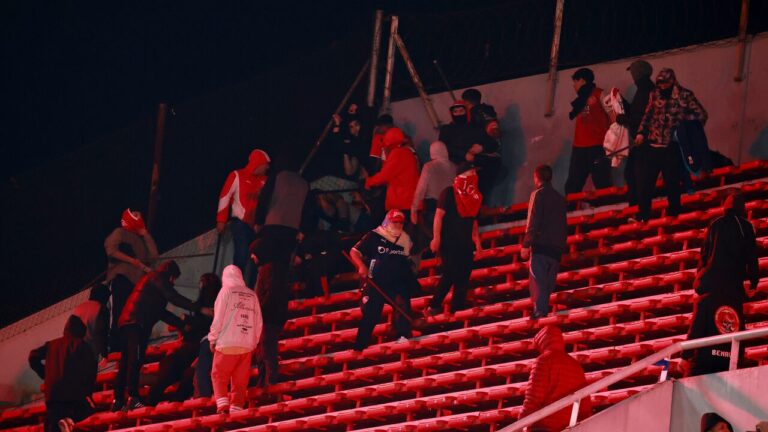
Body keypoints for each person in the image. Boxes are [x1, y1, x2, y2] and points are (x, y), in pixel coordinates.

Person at [111, 261, 210, 411]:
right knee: (135, 361)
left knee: (125, 363)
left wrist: (182, 325)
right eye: (174, 279)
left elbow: (161, 313)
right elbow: (174, 297)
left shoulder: (151, 285)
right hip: (137, 324)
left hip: (127, 323)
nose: (173, 283)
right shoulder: (157, 278)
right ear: (170, 275)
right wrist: (200, 308)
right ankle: (133, 398)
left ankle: (118, 400)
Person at [683, 192, 758, 377]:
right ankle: (735, 359)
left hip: (711, 284)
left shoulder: (714, 224)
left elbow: (704, 254)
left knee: (703, 320)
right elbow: (752, 257)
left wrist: (700, 277)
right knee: (734, 325)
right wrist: (754, 281)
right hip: (732, 288)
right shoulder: (746, 226)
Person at [250, 161, 312, 386]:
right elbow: (308, 209)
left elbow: (265, 198)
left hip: (273, 226)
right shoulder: (304, 184)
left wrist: (258, 221)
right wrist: (302, 230)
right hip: (291, 231)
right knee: (281, 268)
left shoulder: (277, 178)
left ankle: (267, 379)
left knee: (269, 267)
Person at [634, 68, 708, 222]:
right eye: (659, 83)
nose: (662, 87)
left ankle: (674, 215)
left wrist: (683, 126)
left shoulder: (685, 95)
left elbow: (701, 115)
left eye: (665, 83)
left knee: (672, 184)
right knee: (645, 184)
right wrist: (641, 133)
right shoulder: (654, 94)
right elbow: (647, 115)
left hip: (672, 147)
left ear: (672, 81)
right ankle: (643, 216)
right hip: (653, 146)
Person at [147, 273, 221, 405]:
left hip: (203, 347)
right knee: (170, 366)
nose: (200, 286)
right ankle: (153, 400)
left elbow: (207, 325)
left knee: (186, 373)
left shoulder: (217, 304)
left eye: (202, 283)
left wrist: (187, 320)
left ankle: (171, 402)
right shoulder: (203, 305)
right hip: (192, 346)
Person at [349, 210, 416, 351]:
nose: (397, 225)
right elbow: (354, 251)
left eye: (400, 222)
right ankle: (360, 346)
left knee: (402, 305)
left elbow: (409, 258)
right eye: (394, 222)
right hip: (376, 282)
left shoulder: (405, 239)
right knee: (371, 314)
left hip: (397, 282)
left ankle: (403, 335)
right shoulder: (374, 235)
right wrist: (361, 266)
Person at [425, 167, 483, 315]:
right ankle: (434, 305)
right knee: (450, 272)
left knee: (463, 277)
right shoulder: (449, 192)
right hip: (449, 241)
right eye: (471, 172)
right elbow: (439, 216)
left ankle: (457, 309)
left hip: (465, 242)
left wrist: (477, 243)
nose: (474, 175)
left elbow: (473, 221)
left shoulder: (474, 197)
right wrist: (436, 237)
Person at [208, 265, 262, 414]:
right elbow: (258, 322)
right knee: (240, 380)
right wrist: (254, 342)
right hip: (246, 345)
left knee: (218, 374)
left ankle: (223, 405)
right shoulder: (252, 294)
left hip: (227, 342)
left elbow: (218, 319)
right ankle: (237, 407)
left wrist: (213, 339)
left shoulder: (225, 292)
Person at [28, 315, 97, 432]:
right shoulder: (82, 345)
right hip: (73, 394)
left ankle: (64, 422)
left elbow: (32, 356)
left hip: (52, 395)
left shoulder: (51, 345)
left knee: (53, 424)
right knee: (89, 409)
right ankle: (69, 420)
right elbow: (91, 370)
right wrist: (87, 391)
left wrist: (44, 374)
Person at [518, 325, 592, 431]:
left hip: (545, 427)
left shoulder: (543, 360)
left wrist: (520, 425)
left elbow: (533, 398)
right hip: (568, 427)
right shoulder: (575, 365)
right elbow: (585, 404)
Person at [104, 208, 158, 352]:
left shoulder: (140, 240)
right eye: (135, 215)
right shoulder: (120, 232)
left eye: (140, 216)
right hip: (121, 278)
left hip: (136, 283)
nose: (138, 217)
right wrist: (133, 261)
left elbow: (153, 257)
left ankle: (131, 342)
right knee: (119, 312)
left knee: (133, 315)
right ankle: (115, 345)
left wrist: (145, 234)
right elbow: (111, 250)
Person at [216, 149, 270, 286]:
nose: (267, 168)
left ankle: (249, 290)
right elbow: (225, 196)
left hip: (257, 226)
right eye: (265, 164)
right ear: (258, 164)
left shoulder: (265, 181)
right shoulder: (237, 175)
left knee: (254, 259)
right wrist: (221, 220)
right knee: (241, 253)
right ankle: (235, 286)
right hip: (240, 223)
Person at [521, 165, 568, 319]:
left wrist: (526, 244)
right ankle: (541, 309)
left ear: (536, 177)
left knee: (538, 281)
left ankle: (539, 311)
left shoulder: (538, 195)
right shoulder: (560, 199)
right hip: (556, 247)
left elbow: (532, 221)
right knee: (547, 282)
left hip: (541, 246)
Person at [565, 68, 612, 196]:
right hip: (579, 147)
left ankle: (607, 208)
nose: (574, 86)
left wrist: (612, 139)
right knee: (572, 185)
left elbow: (614, 115)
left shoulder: (600, 94)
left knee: (602, 182)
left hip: (598, 145)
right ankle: (570, 212)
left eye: (575, 82)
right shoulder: (579, 100)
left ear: (582, 80)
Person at [616, 60, 655, 207]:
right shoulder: (646, 89)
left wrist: (623, 118)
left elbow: (638, 117)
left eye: (633, 71)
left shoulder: (645, 90)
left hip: (644, 142)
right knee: (633, 174)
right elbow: (637, 113)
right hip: (644, 141)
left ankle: (637, 206)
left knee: (634, 175)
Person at [364, 127, 420, 226]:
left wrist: (369, 182)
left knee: (397, 235)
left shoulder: (397, 153)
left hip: (401, 202)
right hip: (410, 201)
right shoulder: (408, 153)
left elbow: (384, 176)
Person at [410, 141, 457, 257]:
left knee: (430, 239)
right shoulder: (455, 167)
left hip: (433, 208)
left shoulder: (429, 167)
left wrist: (414, 208)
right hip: (452, 208)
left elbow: (421, 189)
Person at [72, 283, 110, 360]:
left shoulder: (79, 307)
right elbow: (102, 333)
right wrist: (105, 353)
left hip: (75, 350)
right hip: (91, 353)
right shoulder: (102, 309)